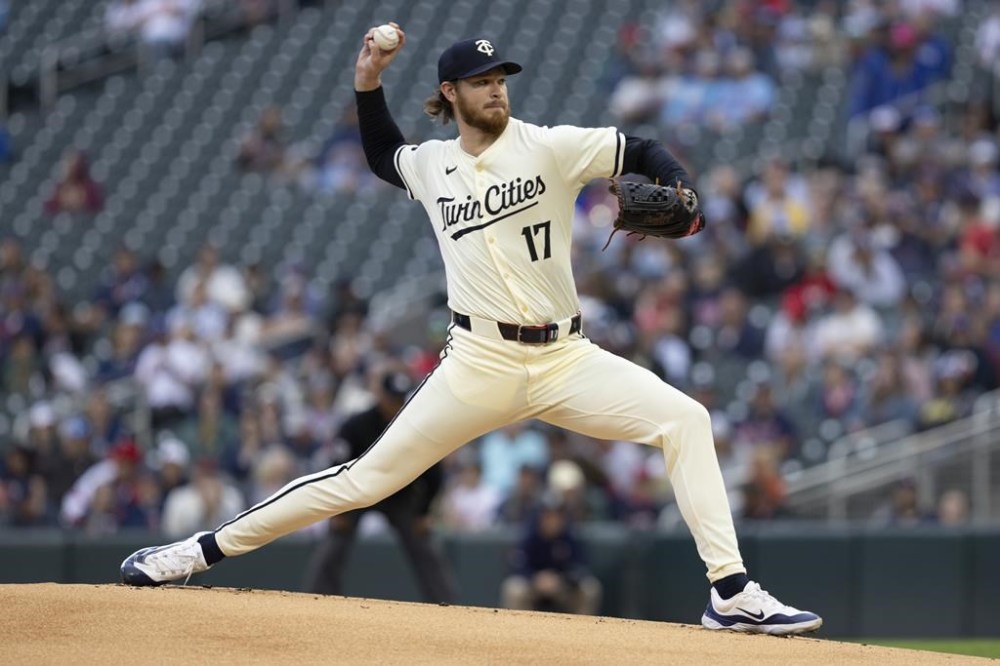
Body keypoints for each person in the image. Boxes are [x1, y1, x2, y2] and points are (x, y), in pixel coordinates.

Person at [120, 27, 822, 636]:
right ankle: (194, 553)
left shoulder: (549, 148)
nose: (497, 90)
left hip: (566, 357)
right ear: (450, 92)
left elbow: (638, 148)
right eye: (482, 81)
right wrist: (367, 83)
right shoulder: (433, 164)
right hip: (479, 361)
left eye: (501, 78)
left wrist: (679, 191)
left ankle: (730, 593)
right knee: (362, 481)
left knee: (686, 420)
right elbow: (380, 153)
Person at [303, 368, 455, 604]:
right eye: (392, 398)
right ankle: (317, 598)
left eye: (399, 399)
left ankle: (445, 603)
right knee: (335, 541)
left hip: (398, 493)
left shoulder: (414, 424)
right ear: (380, 395)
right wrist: (336, 509)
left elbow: (434, 470)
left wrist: (423, 512)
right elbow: (335, 464)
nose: (395, 404)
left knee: (424, 544)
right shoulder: (357, 424)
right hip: (358, 491)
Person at [501, 494, 602, 615]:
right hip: (535, 587)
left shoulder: (569, 537)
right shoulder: (531, 536)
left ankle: (583, 630)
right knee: (514, 588)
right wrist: (536, 578)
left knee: (590, 588)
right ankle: (516, 631)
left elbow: (581, 567)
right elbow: (517, 565)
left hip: (563, 588)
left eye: (557, 516)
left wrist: (561, 579)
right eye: (548, 516)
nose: (553, 520)